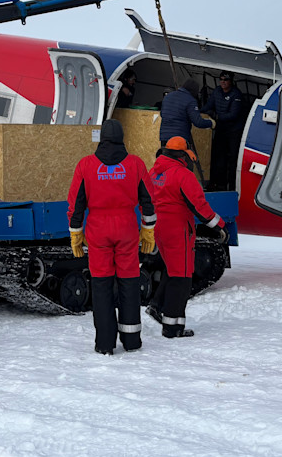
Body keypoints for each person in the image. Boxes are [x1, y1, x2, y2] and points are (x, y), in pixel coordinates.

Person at [66, 119, 156, 355]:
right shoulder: (135, 164)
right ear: (122, 138)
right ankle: (131, 340)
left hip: (98, 231)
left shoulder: (86, 165)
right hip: (126, 228)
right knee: (129, 282)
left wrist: (76, 233)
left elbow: (76, 204)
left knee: (102, 285)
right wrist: (148, 229)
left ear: (101, 139)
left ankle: (105, 344)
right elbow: (148, 201)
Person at [146, 136, 226, 338]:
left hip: (158, 228)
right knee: (181, 277)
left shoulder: (154, 172)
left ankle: (156, 305)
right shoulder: (182, 175)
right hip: (177, 229)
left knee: (171, 270)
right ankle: (173, 326)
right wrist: (219, 226)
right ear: (183, 155)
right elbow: (199, 205)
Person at [202, 71, 246, 190]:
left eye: (225, 80)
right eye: (221, 79)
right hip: (221, 128)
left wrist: (216, 117)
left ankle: (232, 185)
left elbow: (233, 115)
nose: (223, 82)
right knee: (217, 155)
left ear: (231, 81)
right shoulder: (217, 91)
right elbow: (208, 106)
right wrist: (199, 112)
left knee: (233, 158)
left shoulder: (236, 95)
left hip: (234, 131)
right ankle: (217, 183)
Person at [158, 78, 213, 146]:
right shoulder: (190, 100)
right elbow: (198, 122)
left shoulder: (168, 96)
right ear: (194, 91)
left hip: (164, 136)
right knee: (179, 156)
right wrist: (211, 123)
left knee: (165, 156)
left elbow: (162, 114)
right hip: (179, 138)